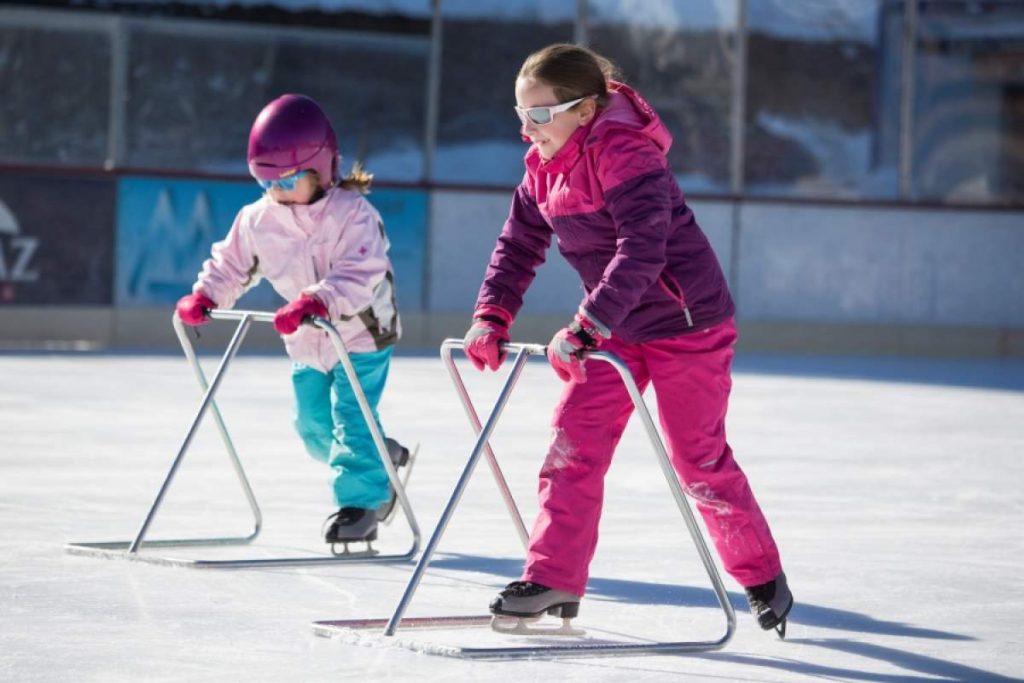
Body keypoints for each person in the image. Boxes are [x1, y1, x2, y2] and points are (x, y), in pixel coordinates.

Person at [463, 44, 793, 633]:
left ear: (585, 110)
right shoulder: (542, 167)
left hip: (686, 323)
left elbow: (643, 249)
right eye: (520, 114)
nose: (527, 128)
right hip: (616, 326)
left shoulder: (627, 154)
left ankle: (762, 577)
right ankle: (554, 578)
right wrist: (492, 314)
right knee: (571, 448)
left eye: (540, 114)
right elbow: (518, 245)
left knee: (698, 460)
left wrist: (589, 324)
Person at [175, 94, 410, 549]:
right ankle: (384, 456)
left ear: (322, 170)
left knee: (352, 419)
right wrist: (206, 294)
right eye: (265, 181)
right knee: (313, 428)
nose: (275, 191)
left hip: (362, 332)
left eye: (286, 180)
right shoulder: (258, 219)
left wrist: (316, 301)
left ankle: (361, 506)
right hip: (306, 339)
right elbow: (232, 264)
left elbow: (362, 274)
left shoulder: (353, 215)